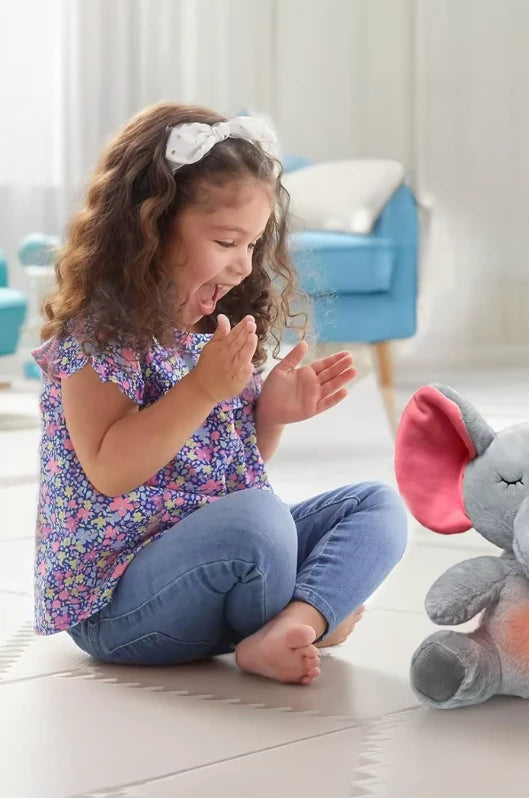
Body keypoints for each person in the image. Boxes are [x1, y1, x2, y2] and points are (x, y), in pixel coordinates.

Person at [32, 102, 408, 685]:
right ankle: (309, 612)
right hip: (120, 600)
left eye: (254, 245)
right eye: (227, 241)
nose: (243, 265)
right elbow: (109, 469)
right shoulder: (99, 334)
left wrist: (273, 415)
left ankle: (293, 623)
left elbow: (224, 473)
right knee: (258, 526)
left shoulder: (212, 328)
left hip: (215, 564)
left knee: (376, 506)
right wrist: (203, 389)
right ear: (151, 228)